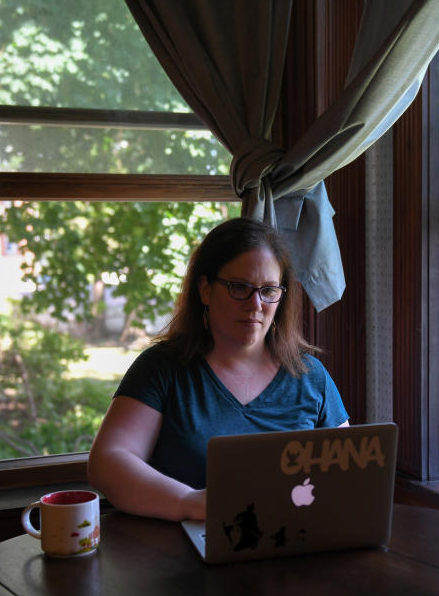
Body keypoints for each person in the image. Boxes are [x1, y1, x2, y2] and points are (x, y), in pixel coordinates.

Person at [87, 217, 349, 522]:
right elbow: (108, 463)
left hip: (292, 551)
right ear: (205, 290)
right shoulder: (161, 368)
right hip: (184, 556)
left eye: (268, 290)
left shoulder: (310, 376)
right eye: (240, 288)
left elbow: (347, 474)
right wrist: (189, 503)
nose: (256, 304)